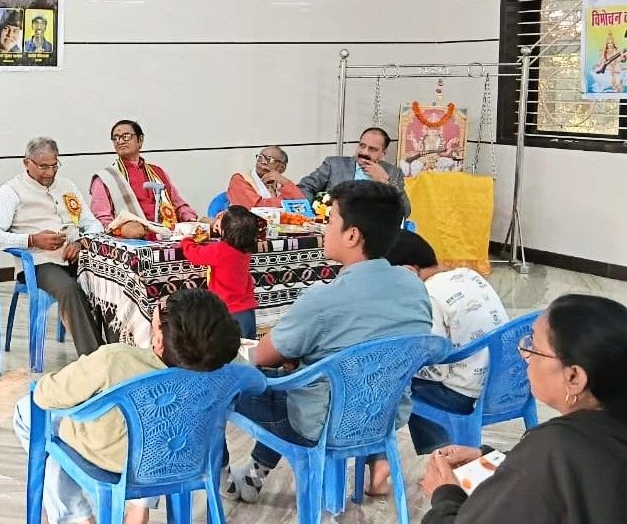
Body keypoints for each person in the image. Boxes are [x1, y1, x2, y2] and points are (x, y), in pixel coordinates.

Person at [224, 180, 431, 502]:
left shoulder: (322, 299)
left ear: (352, 235)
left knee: (223, 381)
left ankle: (220, 480)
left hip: (321, 424)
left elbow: (261, 357)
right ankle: (254, 475)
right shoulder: (414, 287)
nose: (324, 228)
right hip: (383, 416)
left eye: (331, 220)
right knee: (301, 376)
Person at [13, 288, 242, 524]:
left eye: (159, 311)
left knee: (27, 411)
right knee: (159, 426)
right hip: (179, 457)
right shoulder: (226, 365)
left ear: (159, 340)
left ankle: (75, 516)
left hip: (108, 458)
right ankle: (139, 507)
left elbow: (44, 395)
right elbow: (256, 380)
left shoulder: (115, 359)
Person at [420, 294, 627, 524]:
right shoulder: (604, 429)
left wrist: (445, 493)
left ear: (574, 377)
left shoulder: (555, 447)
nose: (524, 353)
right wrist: (493, 459)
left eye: (534, 346)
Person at [385, 230, 511, 454]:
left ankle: (439, 453)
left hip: (464, 394)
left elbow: (435, 368)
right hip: (504, 382)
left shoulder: (428, 296)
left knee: (394, 383)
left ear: (409, 272)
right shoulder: (468, 274)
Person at [0, 137, 106, 356]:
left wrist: (80, 242)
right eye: (43, 167)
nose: (50, 172)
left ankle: (119, 350)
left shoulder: (67, 186)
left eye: (54, 165)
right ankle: (95, 357)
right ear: (26, 163)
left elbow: (93, 224)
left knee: (112, 280)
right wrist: (31, 240)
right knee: (69, 288)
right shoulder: (11, 191)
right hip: (39, 264)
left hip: (77, 257)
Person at [90, 119, 201, 239]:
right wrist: (123, 230)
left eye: (126, 136)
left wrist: (191, 221)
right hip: (133, 242)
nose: (120, 141)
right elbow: (102, 220)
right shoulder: (105, 178)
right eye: (115, 138)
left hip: (169, 237)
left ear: (140, 140)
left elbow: (179, 205)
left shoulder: (158, 172)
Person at [180, 205, 260, 339]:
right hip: (247, 310)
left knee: (230, 347)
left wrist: (187, 241)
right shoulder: (246, 248)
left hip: (229, 311)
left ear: (224, 230)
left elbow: (194, 255)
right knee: (248, 346)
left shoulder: (220, 250)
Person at [297, 127, 411, 216]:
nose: (364, 152)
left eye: (372, 149)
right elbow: (304, 187)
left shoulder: (393, 173)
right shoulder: (334, 165)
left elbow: (405, 211)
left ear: (383, 153)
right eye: (362, 146)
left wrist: (386, 182)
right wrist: (309, 214)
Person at [226, 146, 305, 208]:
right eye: (260, 158)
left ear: (282, 168)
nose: (263, 162)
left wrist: (285, 182)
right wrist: (288, 203)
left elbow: (301, 205)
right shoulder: (240, 179)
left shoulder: (280, 183)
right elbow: (256, 207)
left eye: (269, 160)